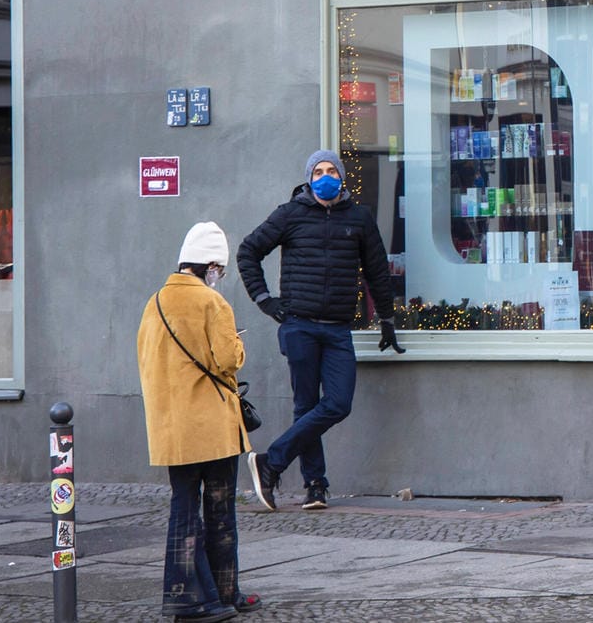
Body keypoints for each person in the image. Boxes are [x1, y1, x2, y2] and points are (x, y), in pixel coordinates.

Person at [238, 149, 401, 512]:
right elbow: (249, 251)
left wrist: (387, 320)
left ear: (342, 177)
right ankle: (315, 486)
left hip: (338, 328)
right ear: (309, 178)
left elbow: (376, 270)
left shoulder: (358, 218)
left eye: (331, 171)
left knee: (338, 403)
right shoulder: (290, 214)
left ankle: (272, 461)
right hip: (300, 325)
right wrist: (265, 300)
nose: (325, 177)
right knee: (306, 405)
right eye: (318, 172)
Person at [137, 221, 263, 621]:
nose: (219, 277)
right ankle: (217, 594)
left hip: (171, 428)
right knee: (220, 511)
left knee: (184, 506)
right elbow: (228, 360)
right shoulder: (213, 304)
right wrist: (238, 341)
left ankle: (188, 592)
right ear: (210, 266)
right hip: (212, 428)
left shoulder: (154, 302)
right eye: (219, 270)